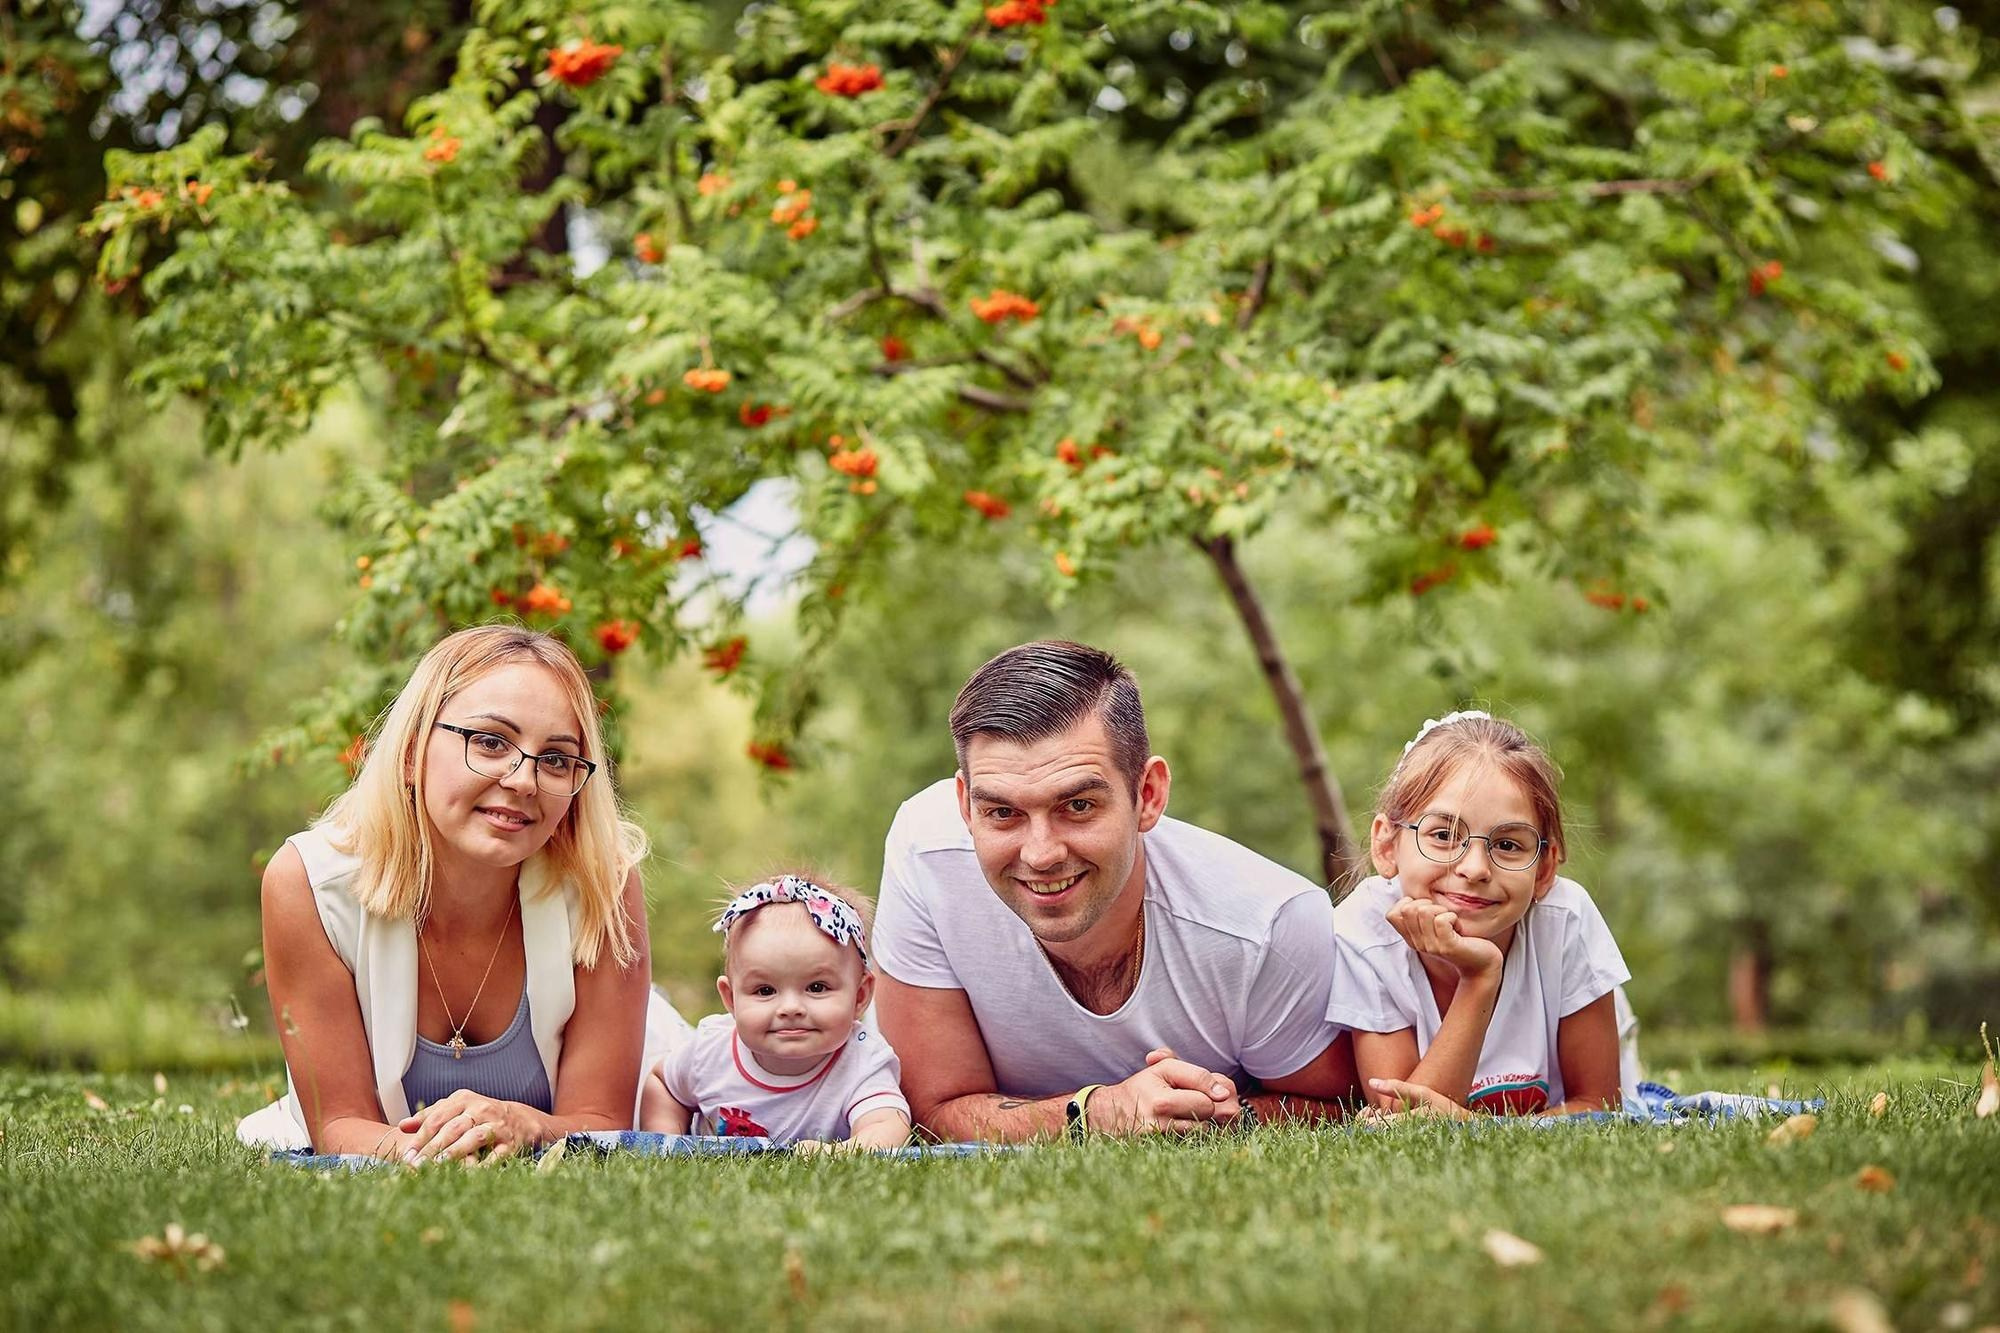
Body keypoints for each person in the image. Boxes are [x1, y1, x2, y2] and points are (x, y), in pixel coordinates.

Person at [872, 640, 1357, 1142]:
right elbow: (933, 1109)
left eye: (1078, 806)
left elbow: (1342, 1104)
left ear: (1148, 795)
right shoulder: (926, 853)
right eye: (1003, 813)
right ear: (965, 806)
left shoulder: (1266, 923)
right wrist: (1097, 1113)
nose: (1041, 854)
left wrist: (1219, 1117)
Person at [237, 624, 686, 1162]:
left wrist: (524, 1126)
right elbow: (338, 1124)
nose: (524, 781)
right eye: (491, 742)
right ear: (411, 753)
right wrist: (444, 1151)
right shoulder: (309, 883)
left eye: (556, 758)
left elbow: (602, 1124)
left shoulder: (603, 881)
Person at [1328, 710, 1639, 1116]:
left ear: (1544, 869)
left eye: (1508, 845)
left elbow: (1600, 1107)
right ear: (1387, 846)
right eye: (1443, 835)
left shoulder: (1565, 920)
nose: (1475, 869)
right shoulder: (1364, 930)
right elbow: (1401, 1118)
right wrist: (1479, 978)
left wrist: (1473, 1125)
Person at [642, 873, 912, 1150]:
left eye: (817, 987)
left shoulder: (862, 1059)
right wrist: (667, 1142)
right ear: (731, 999)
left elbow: (888, 1123)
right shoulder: (711, 1051)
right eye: (765, 991)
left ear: (860, 996)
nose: (790, 1008)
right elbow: (664, 1086)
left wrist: (839, 1153)